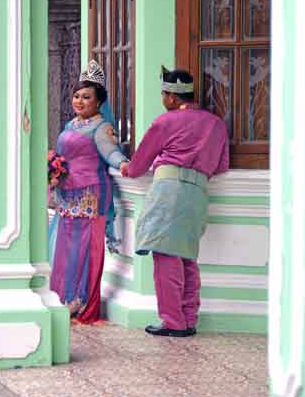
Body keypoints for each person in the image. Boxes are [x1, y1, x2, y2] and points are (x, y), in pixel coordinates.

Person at [120, 67, 229, 337]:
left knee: (166, 256)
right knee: (186, 256)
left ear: (170, 97)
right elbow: (221, 165)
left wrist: (126, 168)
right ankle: (188, 318)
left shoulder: (165, 122)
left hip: (169, 190)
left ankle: (173, 322)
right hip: (197, 194)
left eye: (163, 94)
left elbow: (136, 167)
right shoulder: (216, 123)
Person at [49, 60, 128, 324]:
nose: (79, 101)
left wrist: (125, 164)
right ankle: (60, 296)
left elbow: (111, 152)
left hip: (89, 195)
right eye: (76, 96)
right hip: (67, 194)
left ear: (98, 102)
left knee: (82, 249)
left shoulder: (101, 127)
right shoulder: (72, 124)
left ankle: (79, 301)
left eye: (86, 97)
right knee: (65, 247)